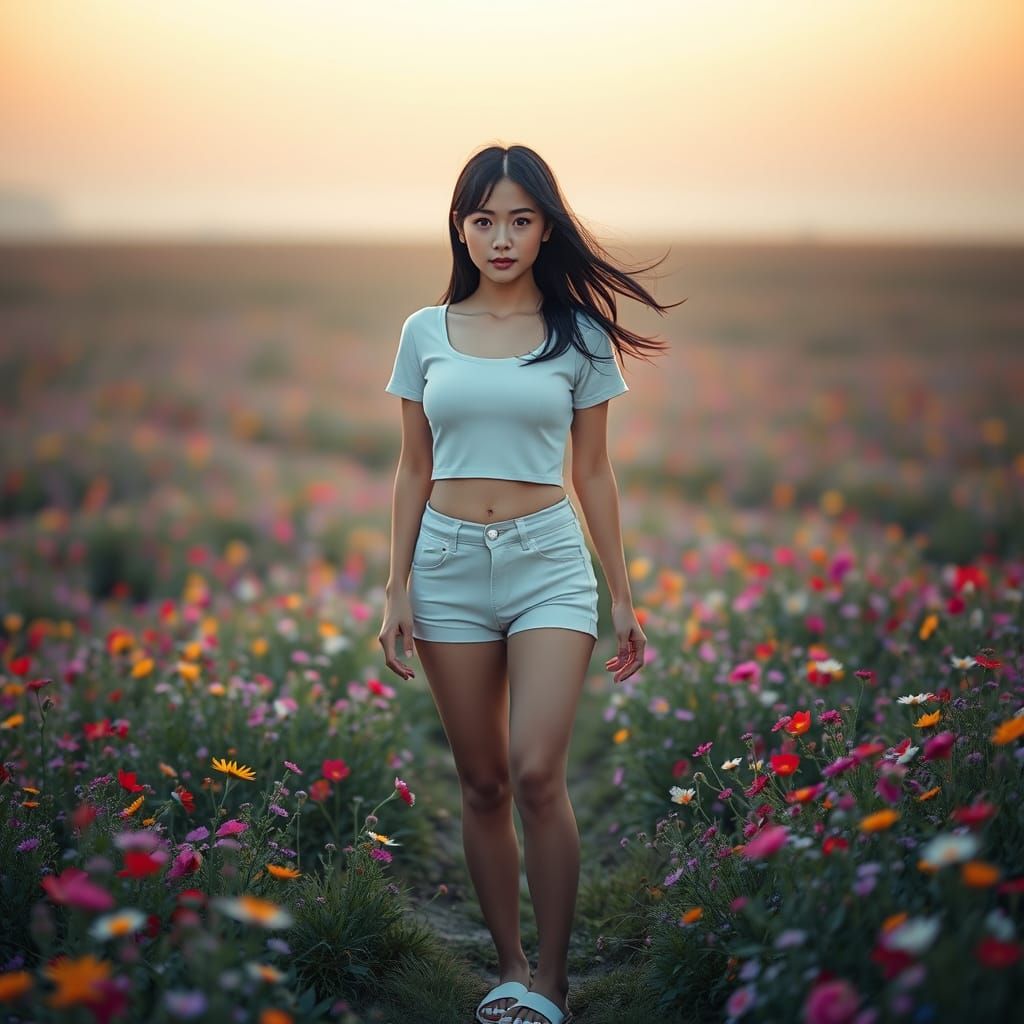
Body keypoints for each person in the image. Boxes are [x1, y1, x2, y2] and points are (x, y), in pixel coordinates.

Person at [379, 143, 683, 1024]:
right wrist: (395, 586)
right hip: (443, 565)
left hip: (548, 561)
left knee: (537, 770)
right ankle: (507, 969)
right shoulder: (424, 331)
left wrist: (621, 594)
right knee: (481, 783)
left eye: (519, 219)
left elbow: (594, 473)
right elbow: (411, 465)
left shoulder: (579, 335)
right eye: (483, 220)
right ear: (460, 228)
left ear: (545, 227)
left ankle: (553, 980)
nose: (501, 237)